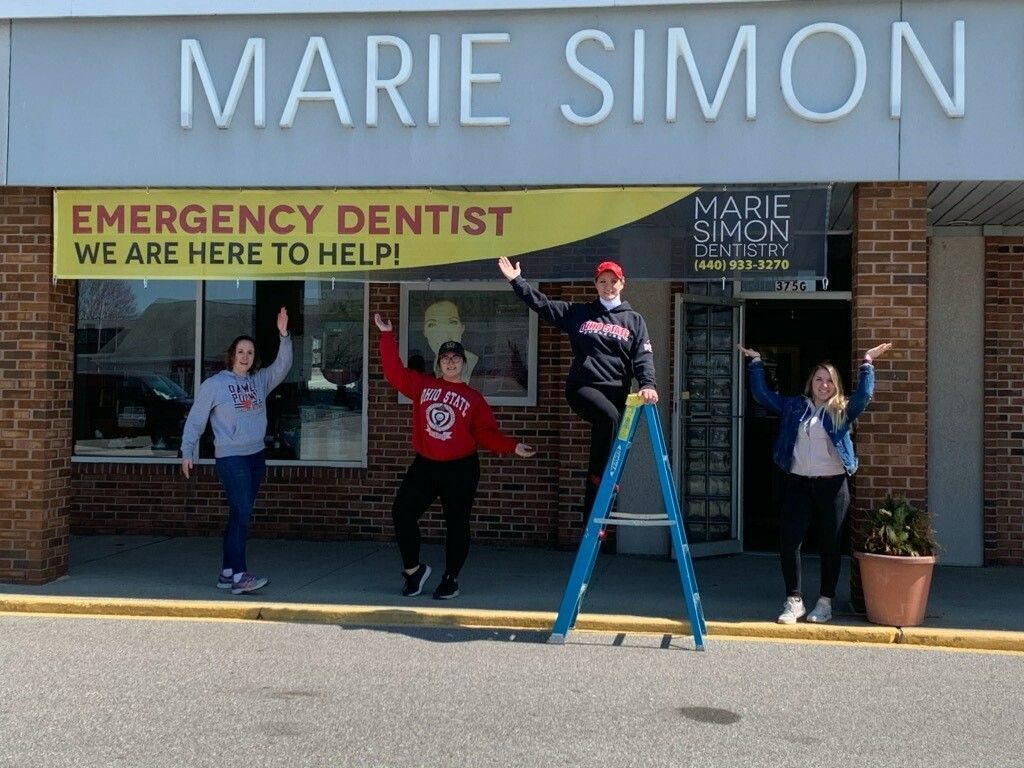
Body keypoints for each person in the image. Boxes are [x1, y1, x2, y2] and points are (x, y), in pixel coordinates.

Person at [374, 312, 536, 599]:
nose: (450, 361)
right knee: (402, 512)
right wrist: (387, 335)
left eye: (456, 358)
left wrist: (511, 446)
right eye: (445, 358)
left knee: (457, 524)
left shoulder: (474, 398)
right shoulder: (423, 386)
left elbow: (485, 433)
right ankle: (414, 571)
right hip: (426, 465)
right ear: (439, 363)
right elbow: (394, 372)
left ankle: (450, 579)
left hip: (461, 468)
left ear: (464, 364)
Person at [738, 341, 893, 624]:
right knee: (789, 542)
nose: (824, 385)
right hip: (798, 482)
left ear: (836, 386)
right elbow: (761, 395)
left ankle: (825, 602)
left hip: (832, 486)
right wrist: (757, 362)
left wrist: (868, 362)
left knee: (830, 545)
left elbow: (865, 396)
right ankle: (794, 600)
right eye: (819, 379)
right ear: (810, 382)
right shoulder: (794, 407)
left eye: (829, 381)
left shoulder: (841, 410)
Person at [497, 256, 657, 518]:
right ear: (595, 284)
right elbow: (543, 305)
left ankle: (593, 514)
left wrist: (648, 384)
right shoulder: (579, 313)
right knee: (608, 418)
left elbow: (643, 357)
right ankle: (599, 477)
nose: (608, 286)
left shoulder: (634, 320)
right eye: (602, 281)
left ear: (622, 283)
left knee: (610, 427)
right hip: (584, 387)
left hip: (616, 391)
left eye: (613, 281)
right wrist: (517, 281)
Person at [180, 307, 292, 596]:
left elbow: (283, 366)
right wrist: (187, 449)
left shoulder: (259, 381)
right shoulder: (215, 385)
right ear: (232, 355)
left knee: (238, 514)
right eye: (241, 351)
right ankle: (240, 576)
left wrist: (284, 335)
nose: (245, 356)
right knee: (243, 512)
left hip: (256, 455)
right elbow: (196, 419)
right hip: (231, 457)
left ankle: (227, 571)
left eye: (250, 353)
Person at [422, 298, 479, 382]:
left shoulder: (474, 365)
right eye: (432, 325)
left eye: (452, 323)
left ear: (462, 328)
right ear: (424, 332)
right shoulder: (427, 366)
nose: (443, 332)